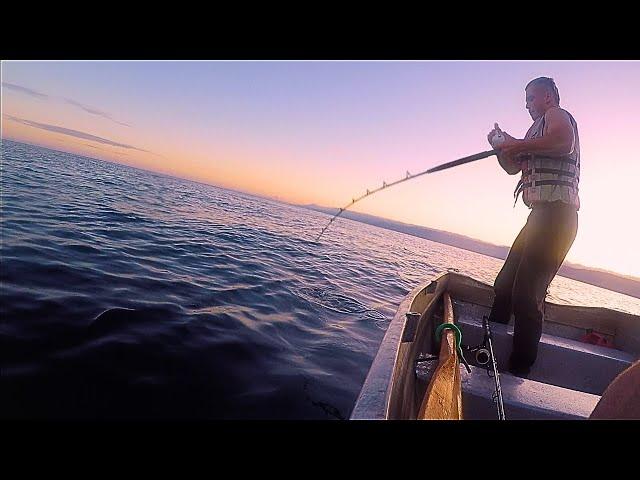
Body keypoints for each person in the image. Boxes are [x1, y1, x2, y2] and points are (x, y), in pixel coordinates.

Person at [486, 77, 580, 377]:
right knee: (504, 286)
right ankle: (489, 348)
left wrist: (516, 143)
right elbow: (513, 167)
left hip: (558, 218)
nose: (526, 104)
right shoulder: (533, 133)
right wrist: (501, 147)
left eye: (530, 98)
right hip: (538, 218)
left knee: (526, 294)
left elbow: (564, 144)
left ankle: (518, 369)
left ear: (548, 97)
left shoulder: (557, 116)